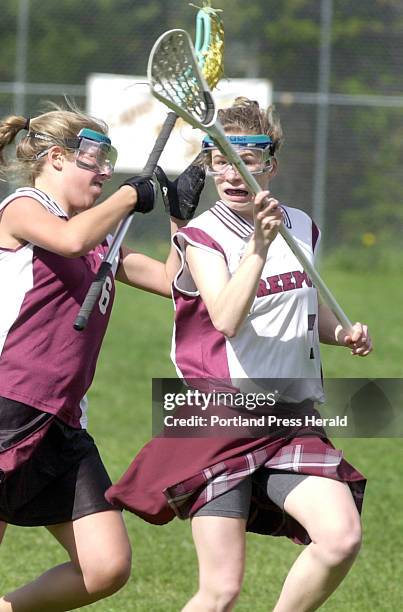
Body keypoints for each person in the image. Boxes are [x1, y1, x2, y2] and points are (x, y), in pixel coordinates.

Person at [0, 105, 205, 612]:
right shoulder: (22, 208)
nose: (104, 172)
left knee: (105, 568)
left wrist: (179, 220)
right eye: (94, 161)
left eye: (109, 162)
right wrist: (125, 197)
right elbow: (71, 240)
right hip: (3, 409)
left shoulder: (97, 239)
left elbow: (175, 283)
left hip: (64, 422)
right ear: (55, 158)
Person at [107, 97, 373, 612]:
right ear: (208, 163)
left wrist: (343, 333)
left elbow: (303, 297)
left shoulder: (300, 225)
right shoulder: (203, 238)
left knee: (340, 538)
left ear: (269, 163)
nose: (231, 173)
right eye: (220, 160)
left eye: (245, 160)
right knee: (221, 591)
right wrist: (256, 246)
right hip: (219, 418)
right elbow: (226, 317)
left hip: (290, 415)